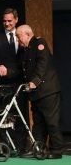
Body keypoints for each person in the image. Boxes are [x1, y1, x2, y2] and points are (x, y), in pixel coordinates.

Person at [0, 8, 29, 157]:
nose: (7, 23)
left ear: (16, 20)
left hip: (18, 82)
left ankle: (22, 147)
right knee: (3, 116)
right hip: (1, 83)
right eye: (4, 21)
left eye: (10, 21)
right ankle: (4, 147)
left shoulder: (22, 36)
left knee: (21, 114)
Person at [15, 24, 64, 159]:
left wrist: (34, 82)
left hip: (47, 90)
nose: (17, 40)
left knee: (51, 121)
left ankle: (56, 150)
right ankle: (37, 148)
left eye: (19, 37)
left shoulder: (39, 43)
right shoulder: (24, 50)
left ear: (27, 34)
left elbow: (43, 64)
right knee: (38, 122)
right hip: (35, 93)